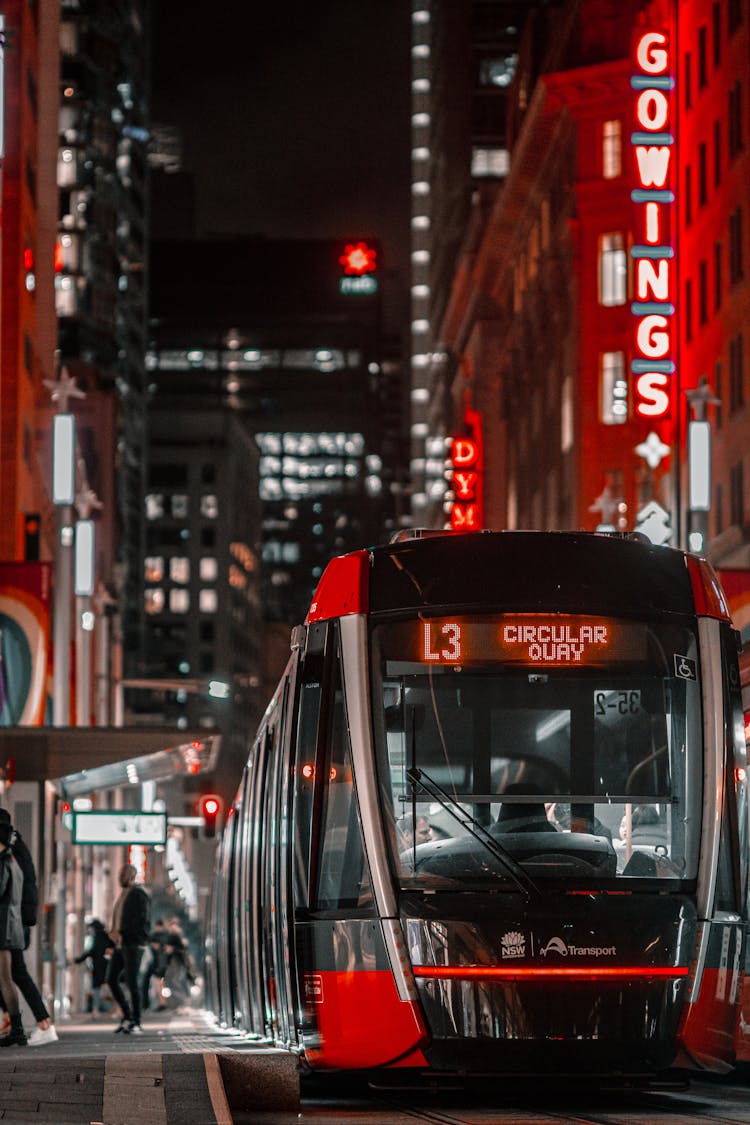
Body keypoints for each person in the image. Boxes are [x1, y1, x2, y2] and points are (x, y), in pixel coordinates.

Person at [0, 808, 58, 1046]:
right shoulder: (17, 850)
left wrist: (22, 919)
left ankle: (35, 1024)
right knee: (14, 974)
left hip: (11, 922)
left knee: (15, 975)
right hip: (14, 921)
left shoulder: (10, 854)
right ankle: (17, 1023)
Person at [106, 863, 151, 1035]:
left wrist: (122, 932)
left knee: (132, 982)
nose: (120, 878)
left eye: (123, 875)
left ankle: (136, 1021)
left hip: (133, 944)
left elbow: (142, 921)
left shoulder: (138, 894)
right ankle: (128, 1015)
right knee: (111, 979)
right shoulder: (123, 895)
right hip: (121, 944)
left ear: (131, 876)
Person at [0, 822, 27, 1047]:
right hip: (10, 927)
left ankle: (17, 1029)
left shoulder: (3, 863)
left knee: (5, 979)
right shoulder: (13, 861)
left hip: (2, 929)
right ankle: (16, 1028)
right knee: (5, 979)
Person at [73, 919, 114, 1017]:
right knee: (112, 986)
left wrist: (78, 960)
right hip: (108, 965)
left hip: (98, 966)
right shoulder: (107, 937)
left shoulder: (97, 938)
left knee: (96, 988)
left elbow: (91, 952)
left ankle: (95, 1010)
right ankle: (116, 1009)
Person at [141, 918, 168, 1012]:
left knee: (156, 984)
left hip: (156, 964)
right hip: (158, 964)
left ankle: (159, 1003)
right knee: (157, 984)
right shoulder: (165, 936)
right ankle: (160, 1003)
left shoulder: (153, 936)